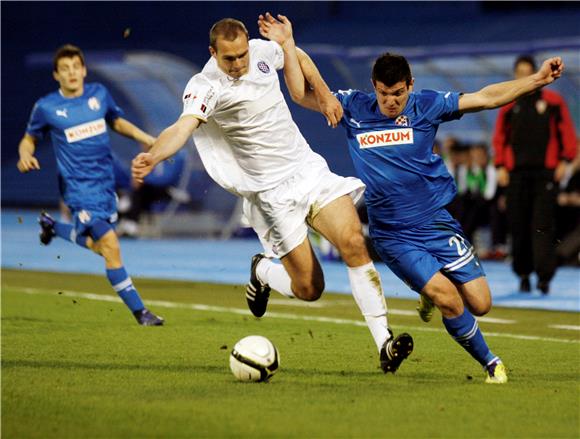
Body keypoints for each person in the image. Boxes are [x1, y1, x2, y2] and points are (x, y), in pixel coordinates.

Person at [262, 13, 568, 383]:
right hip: (392, 234)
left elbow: (486, 98)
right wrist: (287, 45)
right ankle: (491, 364)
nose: (391, 102)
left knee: (481, 304)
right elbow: (298, 93)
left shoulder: (427, 105)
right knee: (449, 299)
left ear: (411, 85)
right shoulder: (354, 109)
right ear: (374, 87)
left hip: (437, 223)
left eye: (398, 93)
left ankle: (431, 288)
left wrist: (536, 80)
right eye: (383, 93)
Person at [132, 18, 413, 373]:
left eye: (242, 54)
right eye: (229, 58)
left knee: (354, 241)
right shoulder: (205, 86)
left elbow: (299, 58)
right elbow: (182, 127)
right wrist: (155, 154)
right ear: (213, 53)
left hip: (307, 170)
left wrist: (324, 96)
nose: (238, 64)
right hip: (270, 195)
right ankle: (263, 270)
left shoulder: (262, 52)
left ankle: (384, 343)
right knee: (311, 288)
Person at [17, 44, 164, 326]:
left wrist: (145, 138)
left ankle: (52, 227)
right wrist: (26, 154)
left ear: (84, 70)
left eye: (76, 67)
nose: (72, 73)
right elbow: (29, 138)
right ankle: (141, 312)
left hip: (105, 186)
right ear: (56, 75)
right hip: (77, 189)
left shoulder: (99, 95)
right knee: (111, 244)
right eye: (65, 69)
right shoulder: (47, 107)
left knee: (101, 246)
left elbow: (117, 122)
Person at [493, 55, 577, 294]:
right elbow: (499, 138)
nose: (523, 77)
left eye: (527, 72)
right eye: (519, 72)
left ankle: (544, 277)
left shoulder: (553, 102)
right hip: (516, 176)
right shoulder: (508, 105)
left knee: (542, 227)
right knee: (518, 227)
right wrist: (500, 166)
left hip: (545, 175)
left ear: (535, 73)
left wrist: (565, 161)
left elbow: (567, 134)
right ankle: (523, 273)